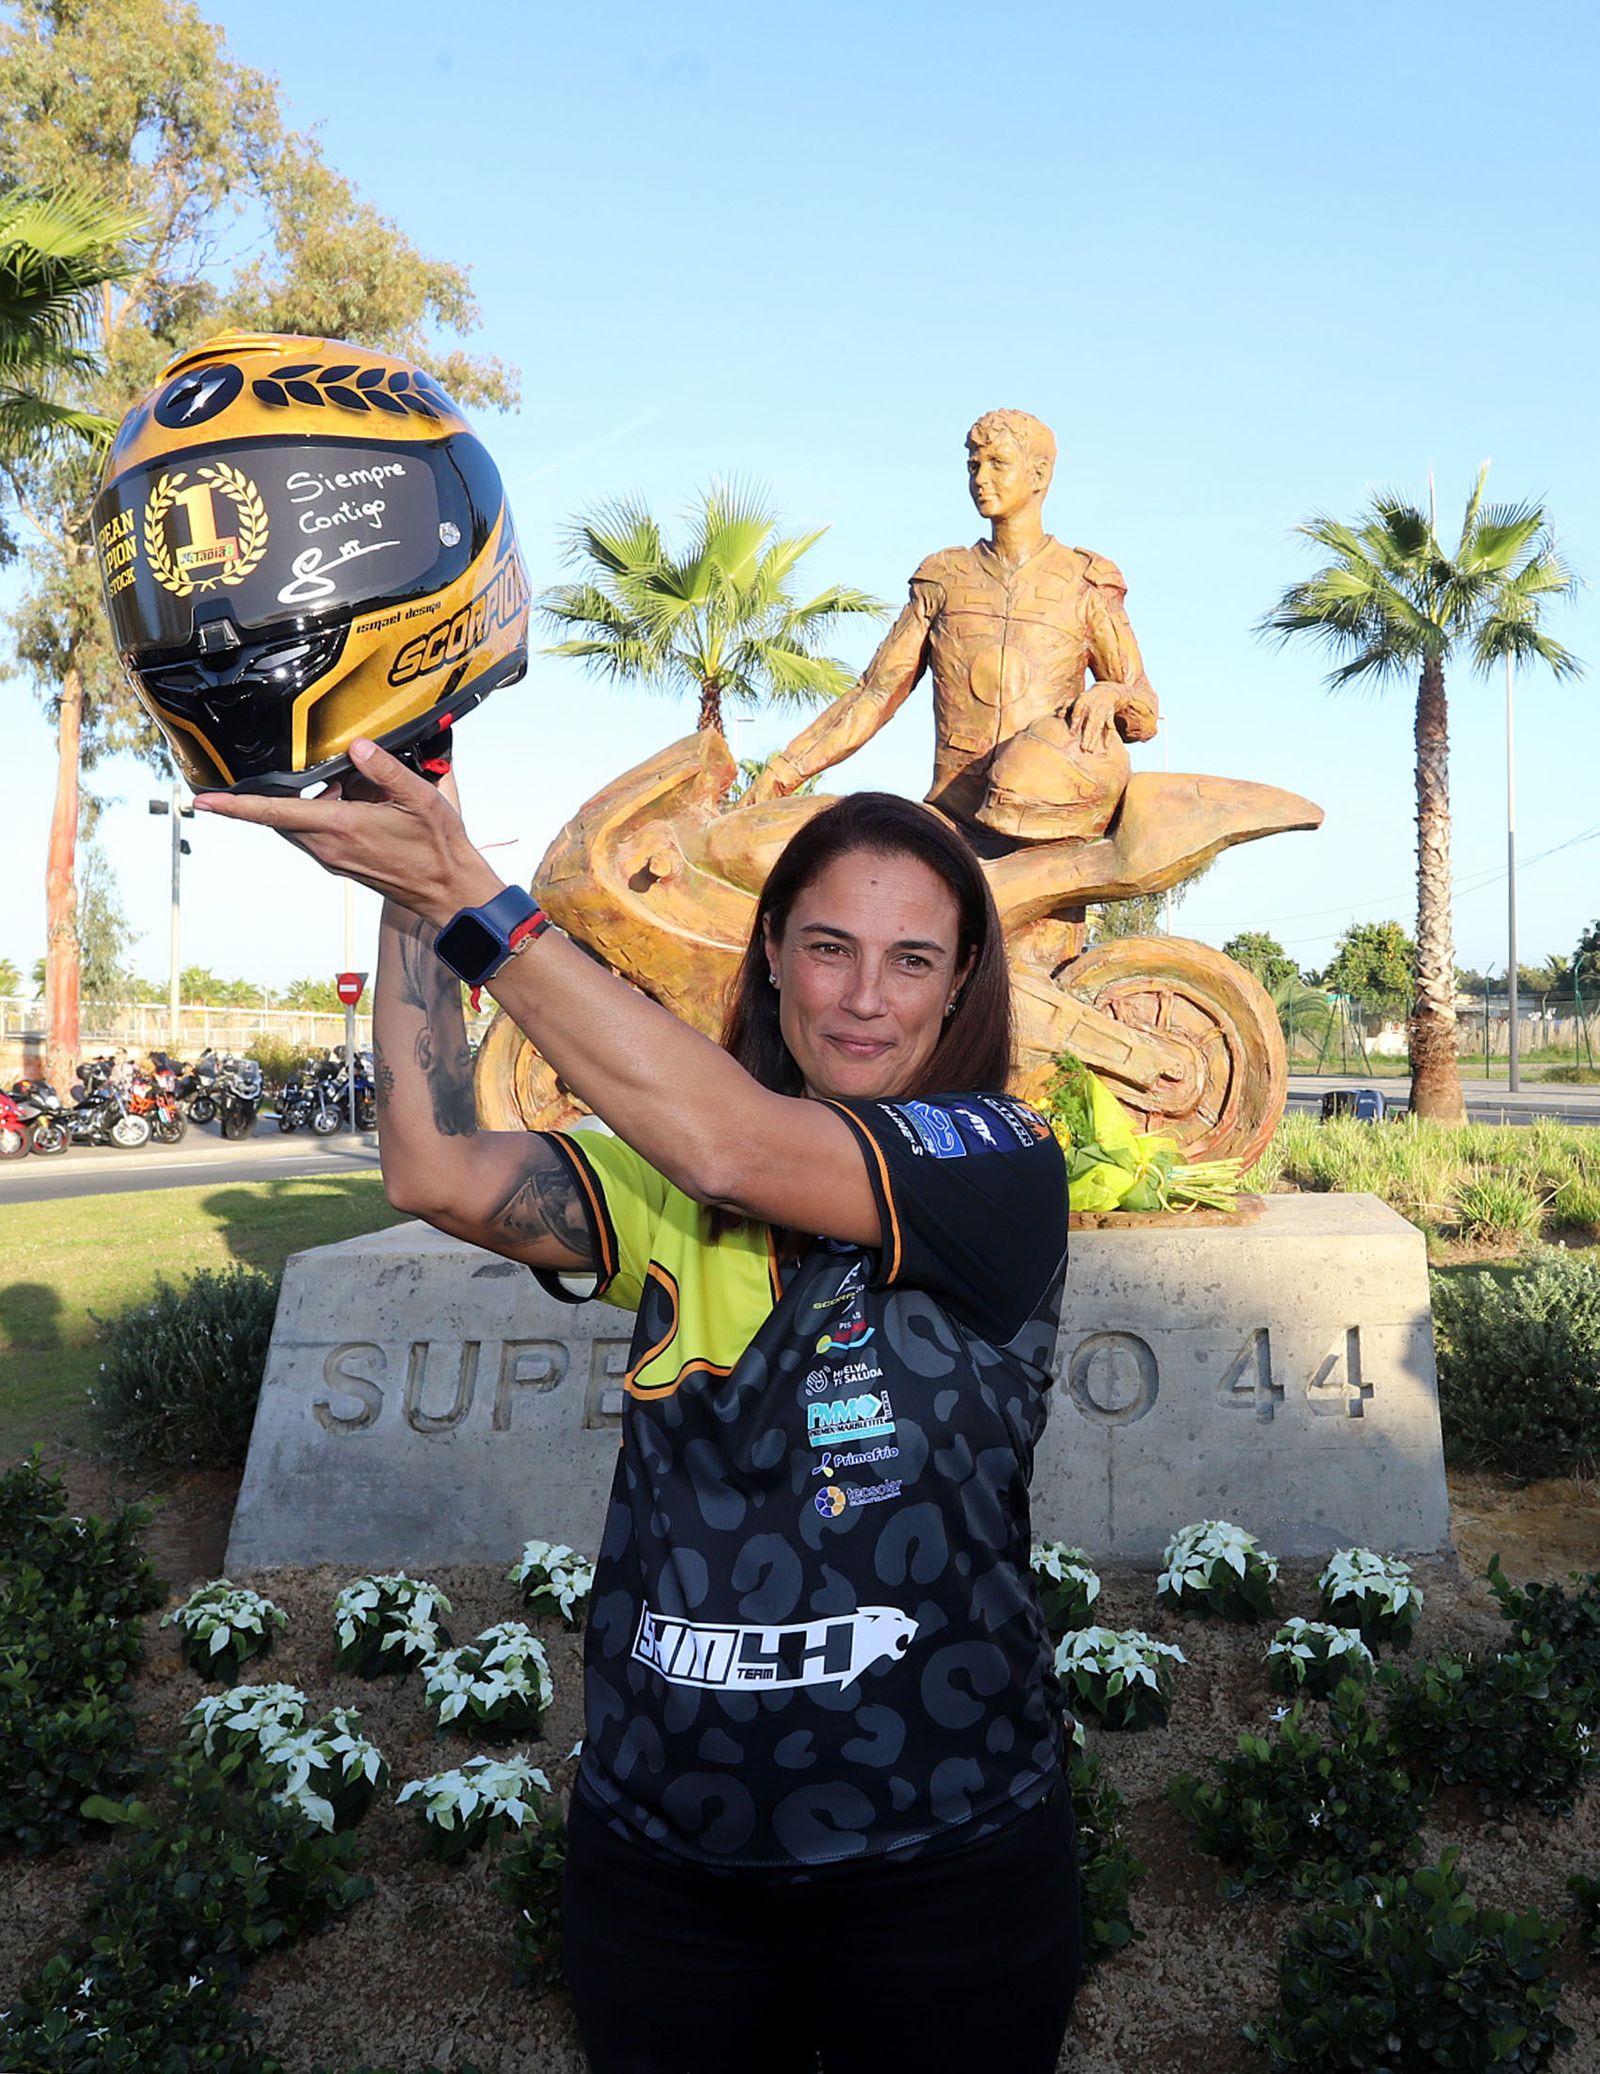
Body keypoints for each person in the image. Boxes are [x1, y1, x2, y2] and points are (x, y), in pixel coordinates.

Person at [197, 733, 1081, 2073]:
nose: (864, 997)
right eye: (829, 946)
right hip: (665, 1866)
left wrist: (472, 895)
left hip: (941, 1862)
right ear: (771, 951)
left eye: (913, 959)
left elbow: (731, 1139)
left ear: (963, 980)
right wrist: (408, 877)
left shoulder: (995, 1162)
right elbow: (433, 1166)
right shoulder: (667, 1183)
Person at [744, 407, 1160, 849]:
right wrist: (783, 771)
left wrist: (1110, 693)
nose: (981, 478)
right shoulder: (944, 577)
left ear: (1038, 475)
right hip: (952, 828)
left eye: (998, 463)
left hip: (1046, 842)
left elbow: (1144, 711)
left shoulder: (1085, 582)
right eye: (974, 465)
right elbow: (875, 694)